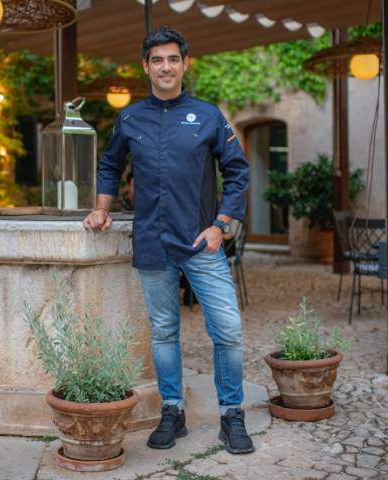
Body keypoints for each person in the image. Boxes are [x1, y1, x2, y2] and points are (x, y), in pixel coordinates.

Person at [82, 27, 253, 455]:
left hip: (201, 242)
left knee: (228, 330)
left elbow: (238, 171)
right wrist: (101, 208)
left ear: (184, 64)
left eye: (173, 59)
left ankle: (232, 415)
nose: (165, 67)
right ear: (146, 66)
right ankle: (172, 412)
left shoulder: (208, 115)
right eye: (157, 59)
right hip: (153, 243)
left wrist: (221, 225)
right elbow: (109, 163)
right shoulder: (130, 118)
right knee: (163, 331)